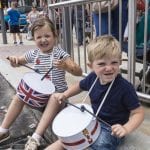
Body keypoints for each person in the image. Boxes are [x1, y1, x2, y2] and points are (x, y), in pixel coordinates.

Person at [45, 35, 144, 150]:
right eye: (102, 64)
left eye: (114, 62)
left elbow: (138, 113)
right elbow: (79, 86)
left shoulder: (125, 88)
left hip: (110, 129)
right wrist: (65, 94)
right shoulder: (92, 77)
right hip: (91, 120)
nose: (109, 68)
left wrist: (125, 128)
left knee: (98, 144)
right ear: (91, 66)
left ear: (120, 62)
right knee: (66, 140)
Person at [0, 17, 82, 150]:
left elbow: (78, 71)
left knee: (55, 97)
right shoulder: (34, 54)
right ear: (33, 38)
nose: (43, 40)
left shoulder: (61, 54)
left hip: (58, 101)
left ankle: (35, 138)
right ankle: (3, 130)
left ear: (55, 36)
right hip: (38, 99)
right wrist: (14, 60)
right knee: (18, 96)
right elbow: (18, 62)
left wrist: (66, 67)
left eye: (47, 36)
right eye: (39, 37)